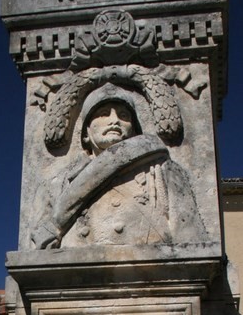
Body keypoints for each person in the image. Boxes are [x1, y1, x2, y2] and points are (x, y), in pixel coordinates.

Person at [31, 87, 205, 248]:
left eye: (124, 116)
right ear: (86, 133)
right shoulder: (59, 184)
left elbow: (192, 244)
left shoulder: (163, 171)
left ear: (134, 131)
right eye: (103, 114)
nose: (114, 120)